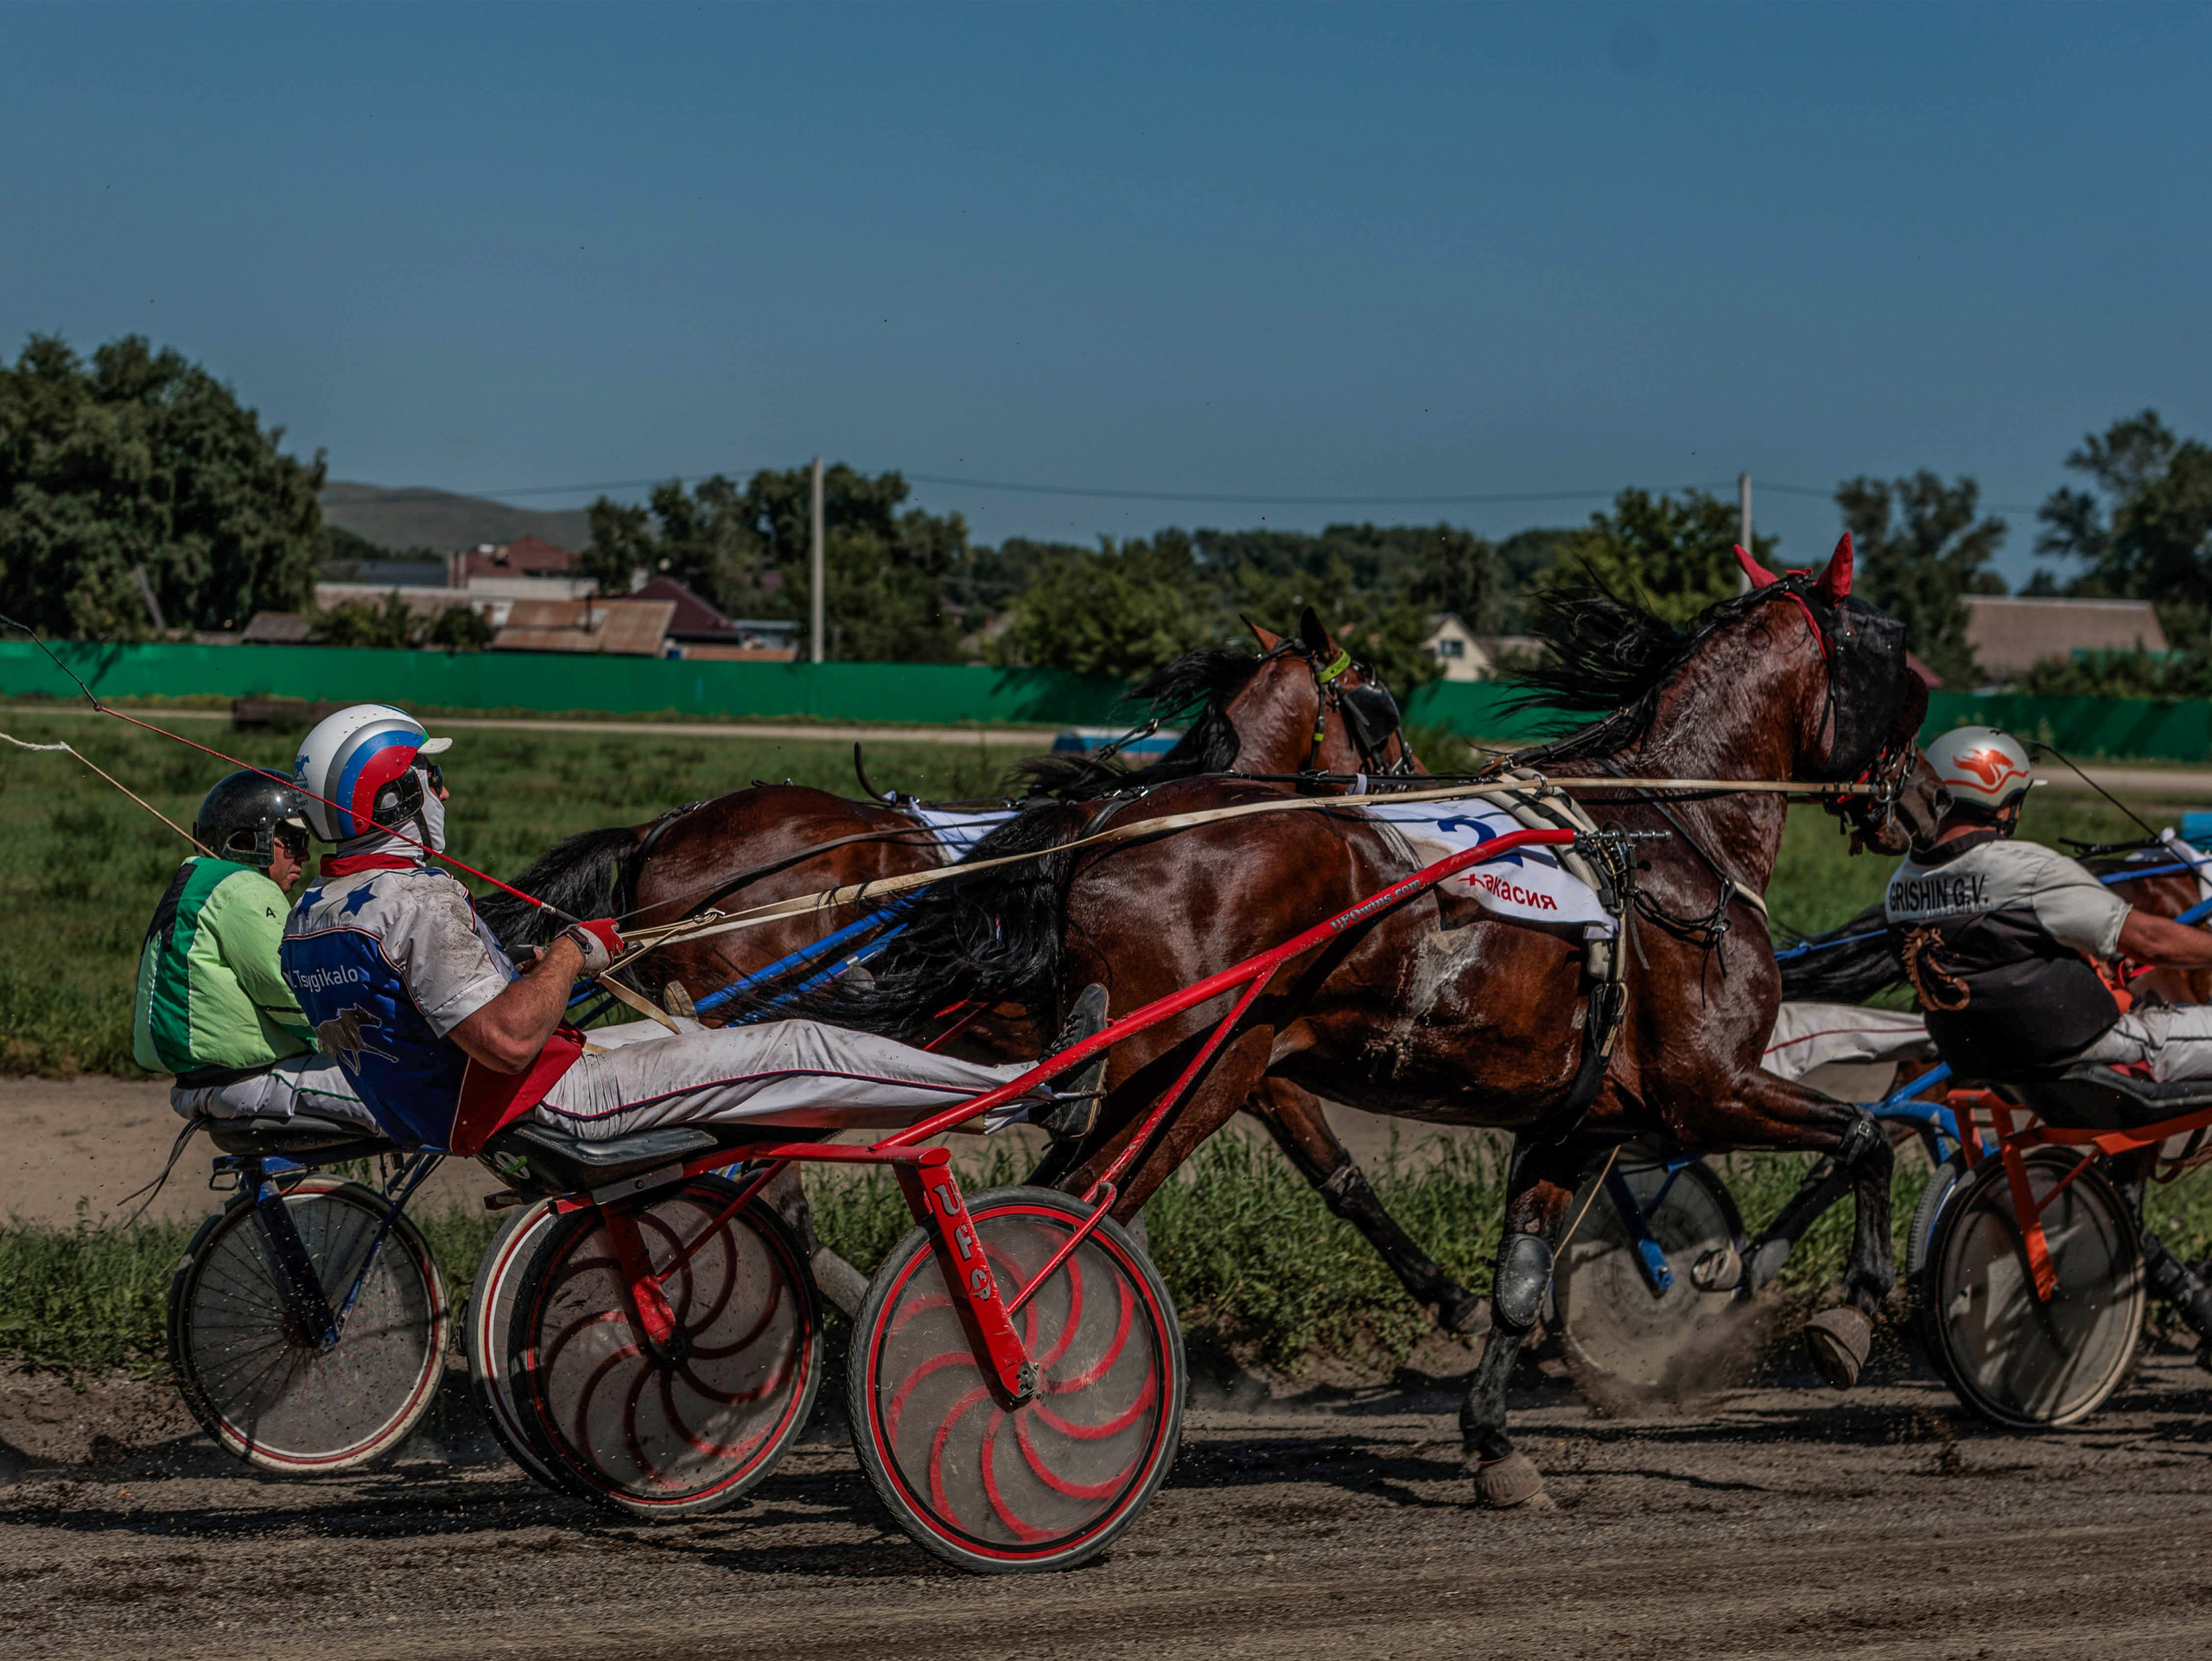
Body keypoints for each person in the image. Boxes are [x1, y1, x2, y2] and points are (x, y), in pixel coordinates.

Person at [277, 704, 1058, 1154]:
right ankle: (1021, 1091)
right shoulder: (417, 899)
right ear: (397, 797)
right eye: (430, 776)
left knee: (683, 1034)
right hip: (546, 1098)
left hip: (477, 1106)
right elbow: (509, 1040)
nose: (443, 789)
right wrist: (570, 952)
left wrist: (530, 967)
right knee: (798, 1044)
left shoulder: (311, 917)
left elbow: (431, 1011)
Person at [1885, 726, 2212, 1083]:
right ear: (2002, 800)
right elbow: (2152, 943)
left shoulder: (1900, 886)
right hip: (2087, 1046)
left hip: (1979, 1057)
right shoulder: (2030, 869)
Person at [137, 769, 378, 1131]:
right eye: (294, 841)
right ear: (252, 840)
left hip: (199, 1082)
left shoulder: (200, 883)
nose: (306, 856)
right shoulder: (245, 888)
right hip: (249, 1081)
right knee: (418, 1095)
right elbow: (293, 991)